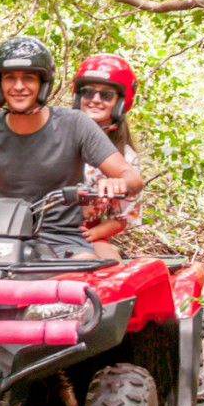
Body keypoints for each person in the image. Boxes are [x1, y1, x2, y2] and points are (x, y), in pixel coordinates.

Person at [0, 36, 143, 259]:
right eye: (10, 78)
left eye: (28, 78)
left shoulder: (75, 124)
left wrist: (119, 181)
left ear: (43, 83)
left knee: (85, 284)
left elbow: (132, 179)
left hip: (64, 241)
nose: (18, 86)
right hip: (1, 240)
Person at [72, 53, 144, 260]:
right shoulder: (55, 135)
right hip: (43, 229)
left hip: (87, 235)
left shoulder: (125, 158)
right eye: (88, 93)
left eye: (106, 95)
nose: (95, 100)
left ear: (120, 101)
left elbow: (123, 216)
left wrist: (92, 234)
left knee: (107, 267)